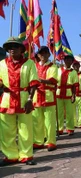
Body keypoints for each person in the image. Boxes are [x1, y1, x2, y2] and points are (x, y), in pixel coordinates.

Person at [0, 37, 39, 166]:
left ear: (21, 49)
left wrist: (30, 99)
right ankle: (10, 155)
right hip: (7, 98)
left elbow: (33, 83)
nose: (12, 49)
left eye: (15, 46)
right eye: (9, 47)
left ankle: (26, 155)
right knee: (6, 130)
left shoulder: (29, 63)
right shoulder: (2, 64)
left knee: (25, 129)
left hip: (23, 98)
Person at [32, 46, 58, 151]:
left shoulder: (53, 67)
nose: (43, 55)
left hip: (48, 95)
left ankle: (51, 142)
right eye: (41, 53)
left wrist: (39, 80)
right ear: (38, 55)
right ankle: (38, 141)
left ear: (48, 54)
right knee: (36, 120)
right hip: (36, 96)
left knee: (50, 121)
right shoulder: (34, 66)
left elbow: (53, 80)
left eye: (45, 53)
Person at [56, 55, 79, 135]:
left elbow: (74, 86)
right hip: (58, 93)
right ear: (64, 60)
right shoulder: (58, 70)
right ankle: (59, 128)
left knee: (69, 112)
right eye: (66, 60)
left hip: (68, 93)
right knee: (59, 112)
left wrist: (73, 95)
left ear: (72, 62)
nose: (68, 61)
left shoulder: (73, 72)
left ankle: (70, 128)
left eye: (70, 60)